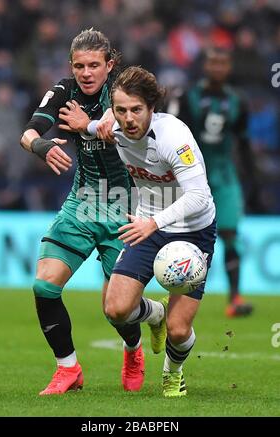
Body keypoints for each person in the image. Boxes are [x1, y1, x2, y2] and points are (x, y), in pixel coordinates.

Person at [20, 30, 166, 395]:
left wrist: (95, 124)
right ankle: (68, 369)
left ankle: (139, 339)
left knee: (116, 310)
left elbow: (130, 130)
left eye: (94, 65)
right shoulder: (63, 91)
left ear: (109, 65)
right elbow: (28, 132)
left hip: (126, 207)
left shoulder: (123, 93)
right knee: (44, 284)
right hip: (82, 202)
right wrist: (40, 145)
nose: (86, 73)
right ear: (72, 66)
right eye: (80, 66)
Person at [78, 66, 216, 397]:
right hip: (148, 225)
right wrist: (85, 126)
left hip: (191, 231)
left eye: (136, 110)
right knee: (116, 309)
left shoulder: (174, 137)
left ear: (152, 107)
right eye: (121, 110)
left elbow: (199, 196)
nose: (128, 118)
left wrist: (153, 223)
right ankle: (154, 313)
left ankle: (173, 372)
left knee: (179, 330)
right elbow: (91, 127)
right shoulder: (114, 127)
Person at [173, 47, 255, 317]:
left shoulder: (238, 101)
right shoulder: (186, 97)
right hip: (190, 174)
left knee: (230, 234)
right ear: (205, 66)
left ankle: (234, 298)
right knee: (184, 237)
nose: (218, 68)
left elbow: (243, 143)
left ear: (229, 67)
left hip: (224, 175)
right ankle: (176, 295)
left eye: (223, 63)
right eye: (213, 62)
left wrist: (251, 178)